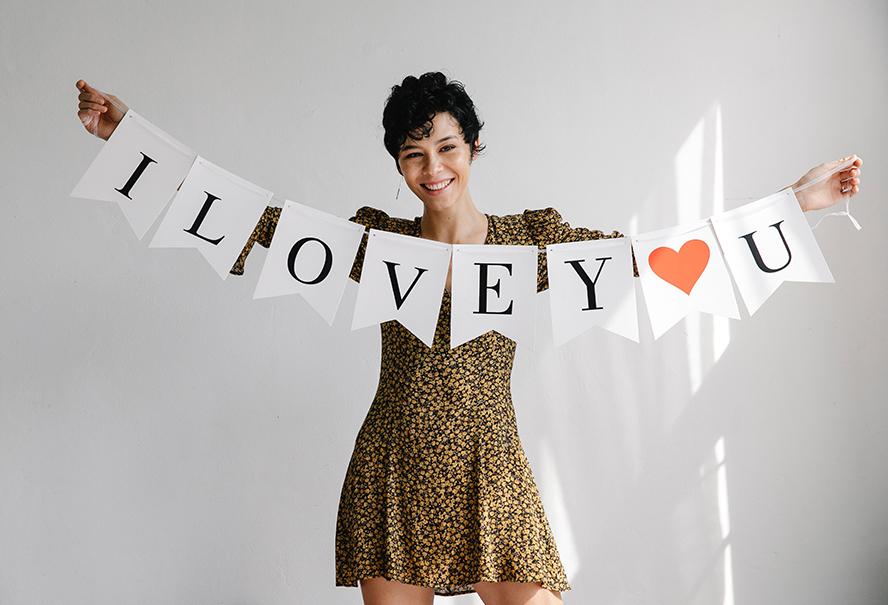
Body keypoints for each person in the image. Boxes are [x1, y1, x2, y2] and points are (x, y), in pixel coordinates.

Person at [76, 74, 863, 605]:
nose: (431, 166)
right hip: (397, 460)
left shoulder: (531, 240)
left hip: (493, 460)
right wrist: (129, 142)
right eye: (413, 153)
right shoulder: (374, 240)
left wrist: (797, 202)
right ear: (398, 162)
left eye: (446, 147)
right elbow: (259, 228)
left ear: (474, 148)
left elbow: (643, 259)